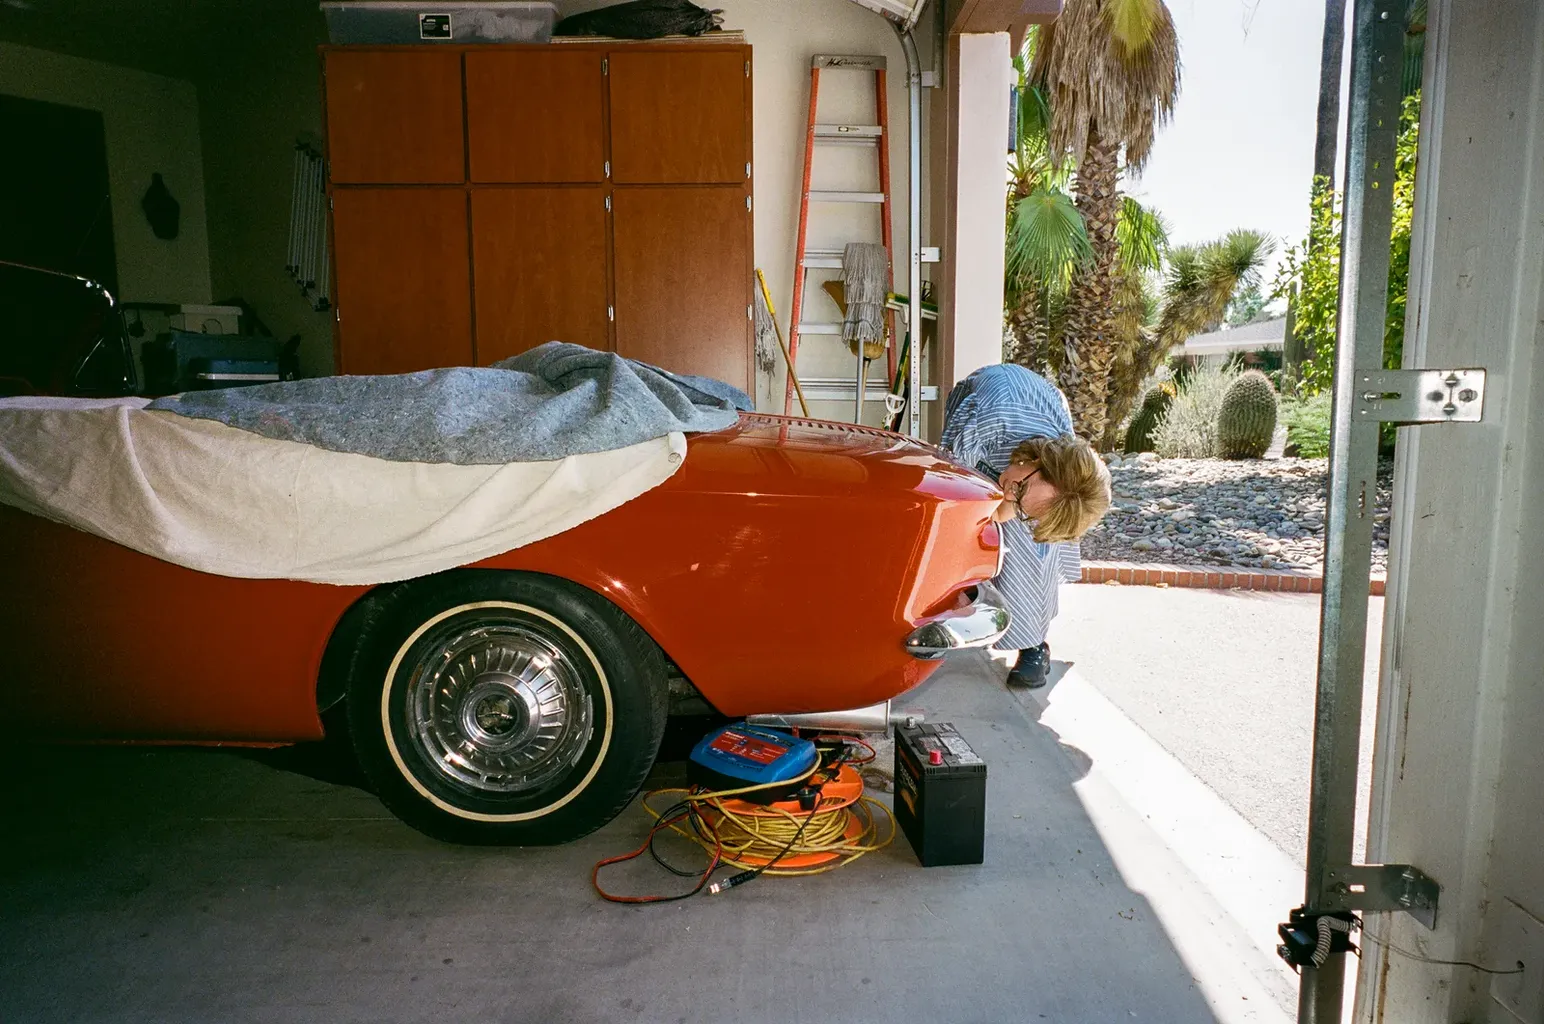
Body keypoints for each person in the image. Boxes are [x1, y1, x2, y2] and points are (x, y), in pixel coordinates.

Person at [939, 363, 1112, 688]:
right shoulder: (989, 420)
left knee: (1032, 548)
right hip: (996, 406)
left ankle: (1035, 644)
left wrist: (1012, 505)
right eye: (1019, 489)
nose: (1010, 494)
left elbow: (1010, 507)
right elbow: (950, 480)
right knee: (962, 517)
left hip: (1039, 421)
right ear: (1038, 461)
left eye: (1019, 500)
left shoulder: (1057, 466)